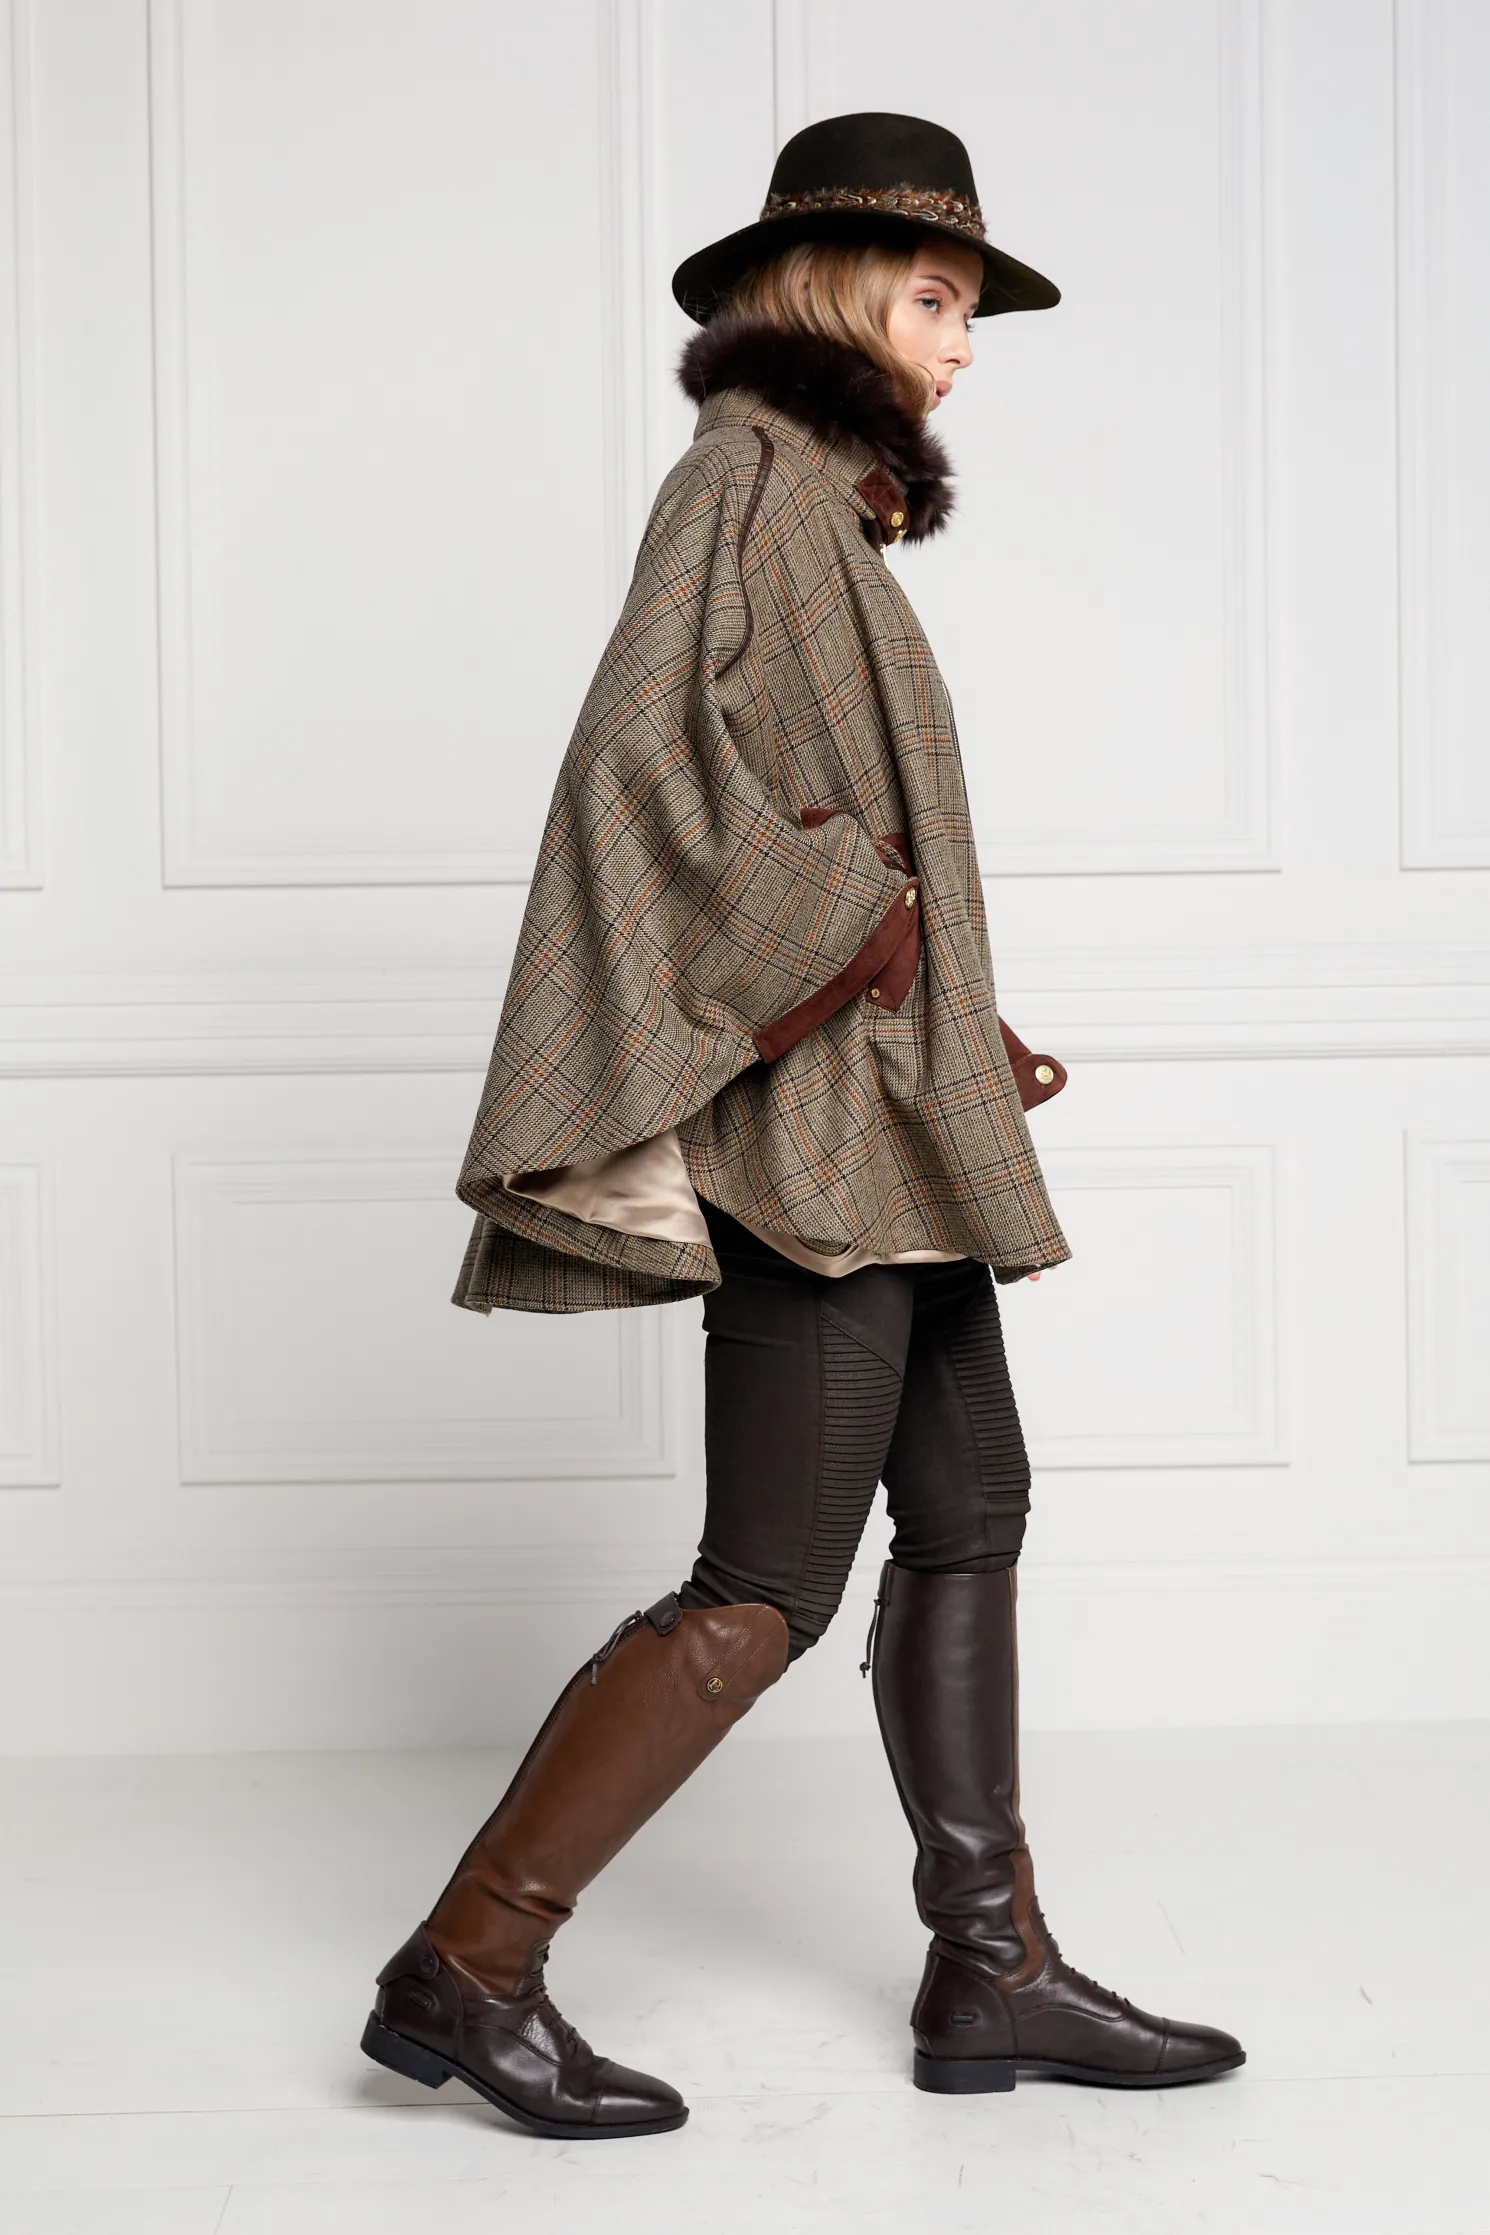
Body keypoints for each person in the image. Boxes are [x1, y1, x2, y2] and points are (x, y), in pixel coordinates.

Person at [360, 111, 1244, 2140]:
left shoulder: (822, 512)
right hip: (810, 1135)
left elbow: (812, 806)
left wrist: (946, 1007)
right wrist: (852, 935)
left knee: (971, 1504)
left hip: (886, 1107)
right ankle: (468, 1964)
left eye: (970, 307)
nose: (962, 344)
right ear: (836, 290)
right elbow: (640, 776)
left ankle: (989, 1961)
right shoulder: (745, 483)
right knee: (763, 1578)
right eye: (934, 300)